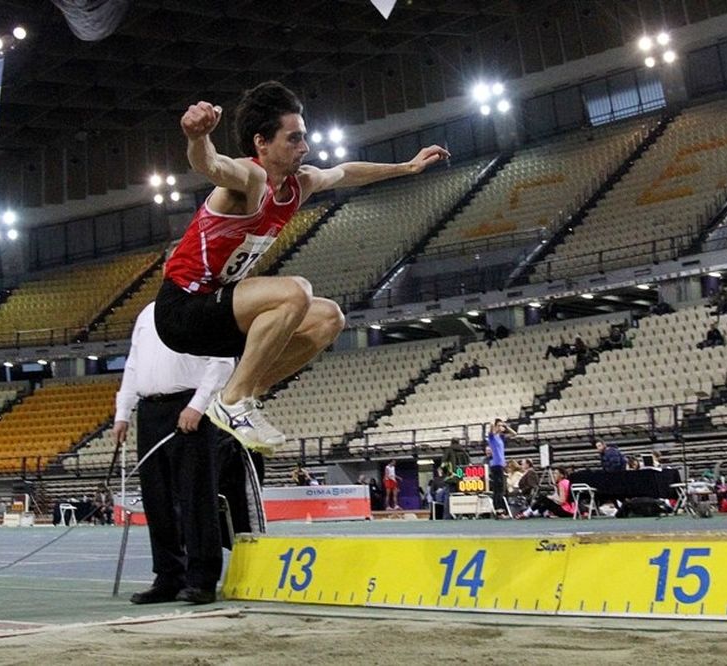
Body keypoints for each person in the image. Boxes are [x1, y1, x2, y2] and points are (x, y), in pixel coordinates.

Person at [155, 81, 450, 454]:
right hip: (181, 308)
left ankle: (248, 390)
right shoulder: (251, 179)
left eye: (304, 137)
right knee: (295, 291)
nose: (305, 147)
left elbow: (345, 172)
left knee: (329, 318)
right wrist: (197, 138)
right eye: (293, 139)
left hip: (221, 312)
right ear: (262, 142)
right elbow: (211, 165)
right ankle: (232, 401)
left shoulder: (300, 184)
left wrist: (407, 167)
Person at [114, 302, 234, 605]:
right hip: (150, 411)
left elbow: (222, 361)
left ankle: (202, 579)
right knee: (157, 499)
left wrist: (198, 405)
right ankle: (168, 576)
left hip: (189, 407)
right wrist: (122, 412)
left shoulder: (208, 309)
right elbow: (132, 364)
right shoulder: (147, 314)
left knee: (196, 497)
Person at [485, 419, 516, 516]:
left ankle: (501, 508)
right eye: (498, 425)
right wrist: (492, 427)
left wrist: (506, 427)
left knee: (502, 488)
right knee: (498, 488)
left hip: (501, 465)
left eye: (500, 426)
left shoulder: (501, 437)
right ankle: (498, 509)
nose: (500, 427)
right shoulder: (492, 437)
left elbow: (514, 434)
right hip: (496, 465)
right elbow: (490, 432)